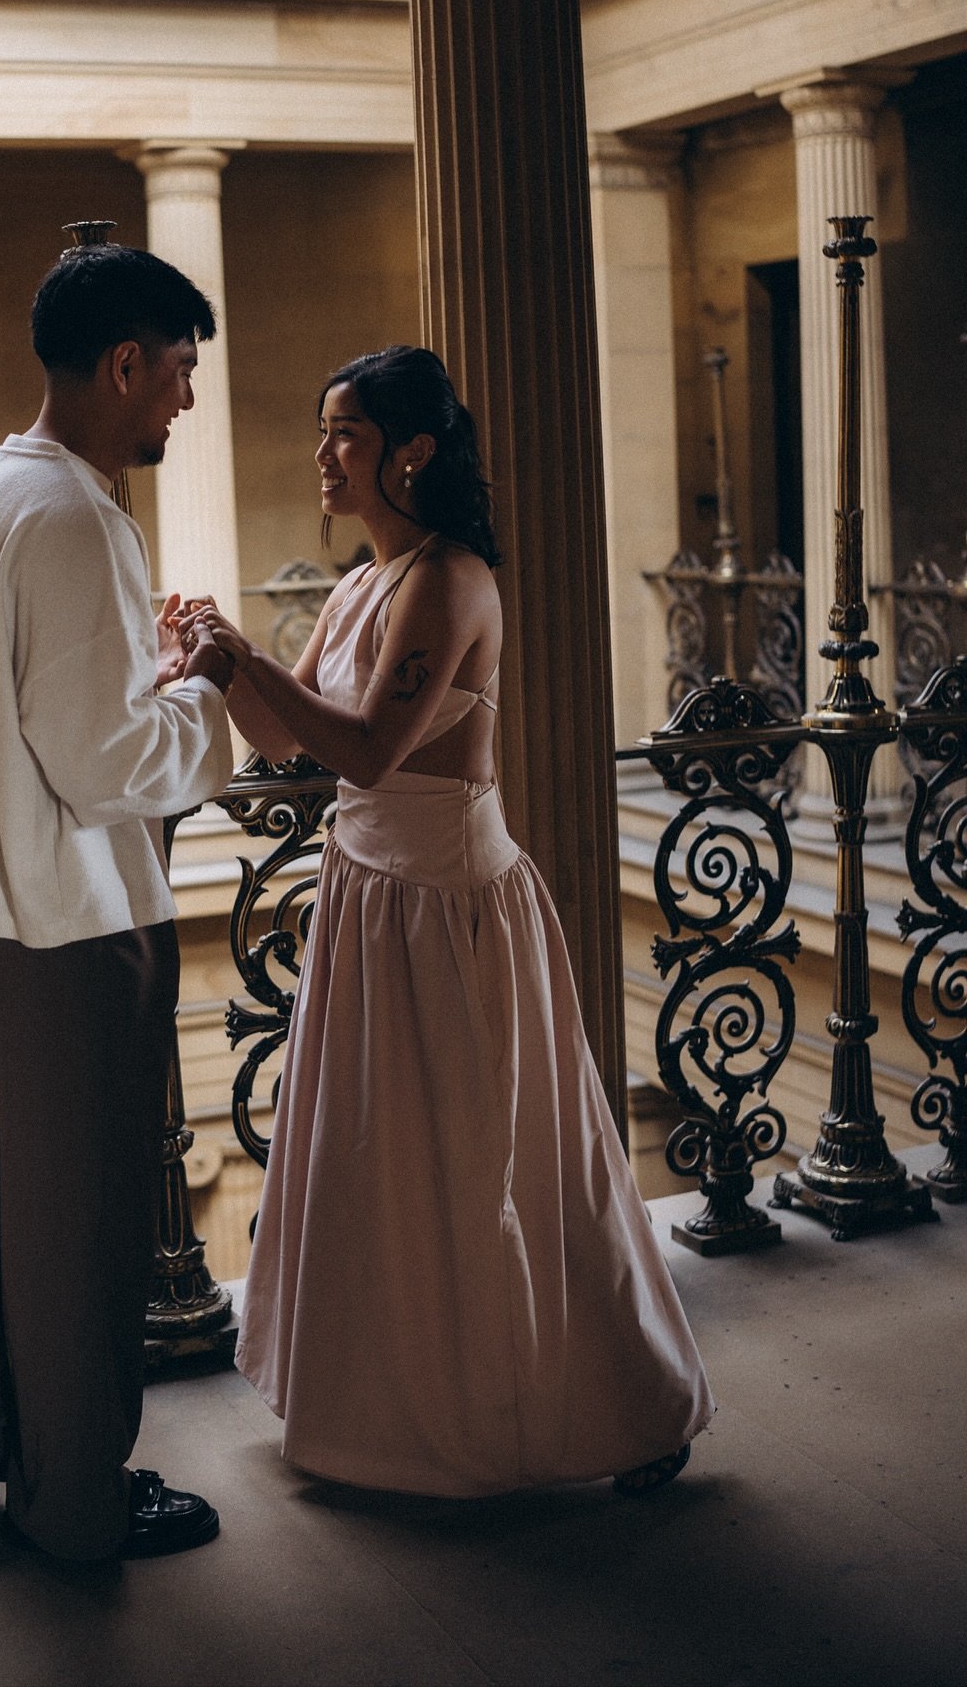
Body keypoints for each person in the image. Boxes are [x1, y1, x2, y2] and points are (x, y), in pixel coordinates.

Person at [186, 345, 712, 1500]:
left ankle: (613, 1404)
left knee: (500, 1166)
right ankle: (394, 1414)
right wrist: (220, 660)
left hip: (451, 910)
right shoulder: (364, 583)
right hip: (373, 900)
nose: (325, 456)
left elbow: (370, 749)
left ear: (410, 451)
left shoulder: (447, 576)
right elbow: (288, 746)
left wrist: (245, 656)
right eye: (324, 431)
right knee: (383, 1164)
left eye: (348, 435)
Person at [0, 243, 236, 1561]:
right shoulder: (76, 515)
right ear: (126, 361)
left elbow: (37, 717)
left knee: (40, 1190)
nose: (186, 403)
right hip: (66, 922)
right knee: (91, 1227)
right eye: (181, 373)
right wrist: (205, 693)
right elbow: (106, 760)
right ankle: (78, 1502)